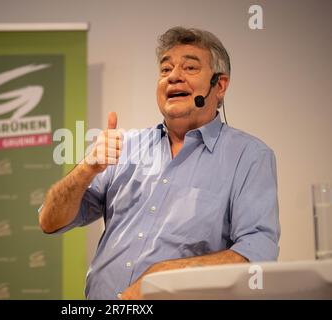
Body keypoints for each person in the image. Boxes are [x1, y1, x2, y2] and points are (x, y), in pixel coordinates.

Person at [38, 26, 280, 300]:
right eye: (165, 70)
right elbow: (49, 221)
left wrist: (164, 276)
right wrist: (86, 168)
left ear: (220, 85)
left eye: (189, 68)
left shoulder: (249, 156)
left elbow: (258, 251)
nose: (174, 77)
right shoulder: (124, 147)